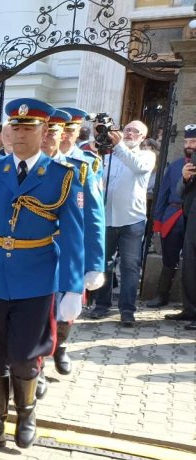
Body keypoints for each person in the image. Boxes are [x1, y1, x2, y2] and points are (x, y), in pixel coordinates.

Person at [0, 98, 85, 456]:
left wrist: (72, 287)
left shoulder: (62, 176)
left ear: (43, 131)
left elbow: (74, 235)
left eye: (27, 127)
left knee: (24, 355)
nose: (19, 134)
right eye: (14, 127)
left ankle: (27, 415)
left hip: (35, 278)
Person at [45, 107, 106, 380]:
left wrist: (95, 263)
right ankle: (37, 362)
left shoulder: (85, 166)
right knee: (41, 307)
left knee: (67, 307)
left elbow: (94, 217)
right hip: (40, 248)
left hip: (71, 249)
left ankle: (61, 345)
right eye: (62, 130)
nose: (66, 136)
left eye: (71, 131)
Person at [88, 120, 155, 327]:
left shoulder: (146, 155)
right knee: (104, 263)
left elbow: (137, 167)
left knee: (129, 266)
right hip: (107, 218)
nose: (130, 133)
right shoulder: (109, 156)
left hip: (132, 220)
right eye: (127, 130)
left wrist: (118, 146)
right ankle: (102, 305)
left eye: (136, 131)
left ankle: (127, 309)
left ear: (142, 137)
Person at [148, 125, 196, 309]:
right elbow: (163, 194)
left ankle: (189, 304)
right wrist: (158, 221)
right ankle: (162, 295)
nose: (188, 145)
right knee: (169, 258)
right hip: (173, 217)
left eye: (193, 141)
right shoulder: (175, 166)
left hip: (192, 218)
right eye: (186, 141)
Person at [170, 155, 196, 329]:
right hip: (192, 219)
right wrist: (185, 178)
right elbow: (180, 192)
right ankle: (190, 309)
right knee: (190, 267)